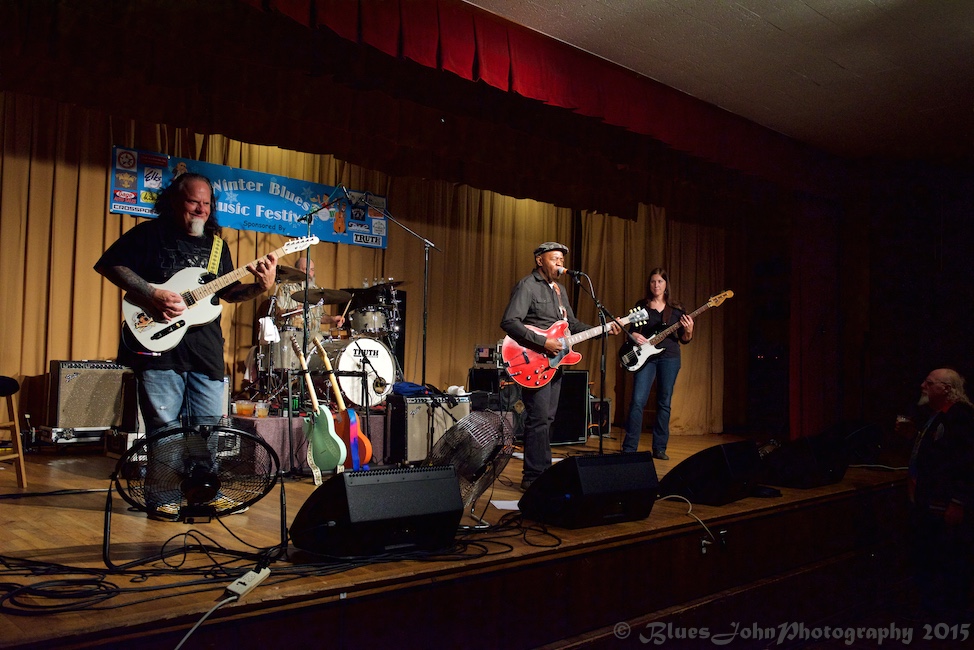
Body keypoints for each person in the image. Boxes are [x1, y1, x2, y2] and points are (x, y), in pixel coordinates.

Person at [95, 172, 278, 433]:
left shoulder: (217, 246)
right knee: (163, 431)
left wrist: (261, 286)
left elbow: (228, 292)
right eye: (194, 202)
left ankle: (203, 476)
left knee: (209, 430)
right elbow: (110, 265)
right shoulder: (150, 234)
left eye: (206, 204)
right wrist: (151, 294)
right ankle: (165, 475)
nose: (201, 209)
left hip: (205, 352)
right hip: (160, 350)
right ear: (174, 201)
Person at [501, 242, 620, 490]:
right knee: (539, 418)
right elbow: (510, 322)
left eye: (562, 260)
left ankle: (543, 473)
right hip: (533, 361)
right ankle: (533, 476)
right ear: (540, 260)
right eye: (555, 259)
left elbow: (572, 326)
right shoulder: (527, 286)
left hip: (554, 365)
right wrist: (544, 342)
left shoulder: (560, 291)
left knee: (548, 418)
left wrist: (604, 329)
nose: (560, 264)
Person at [904, 367, 974, 620]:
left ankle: (951, 619)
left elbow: (967, 463)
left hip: (945, 504)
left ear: (946, 388)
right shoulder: (939, 415)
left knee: (950, 559)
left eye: (929, 382)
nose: (923, 385)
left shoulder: (961, 417)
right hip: (932, 502)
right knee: (935, 557)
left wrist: (959, 501)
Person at [621, 268, 693, 460]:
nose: (656, 285)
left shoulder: (677, 311)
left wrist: (689, 330)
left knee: (664, 402)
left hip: (669, 357)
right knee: (637, 401)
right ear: (649, 284)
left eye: (660, 281)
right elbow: (630, 331)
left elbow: (684, 339)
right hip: (646, 358)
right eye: (653, 281)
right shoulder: (641, 307)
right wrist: (634, 335)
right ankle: (629, 448)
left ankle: (659, 448)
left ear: (666, 284)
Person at [273, 257, 346, 339]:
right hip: (292, 336)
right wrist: (292, 312)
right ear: (296, 270)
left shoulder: (316, 290)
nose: (309, 273)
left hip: (313, 336)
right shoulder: (285, 289)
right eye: (305, 269)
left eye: (312, 270)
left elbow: (320, 317)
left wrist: (333, 319)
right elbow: (277, 314)